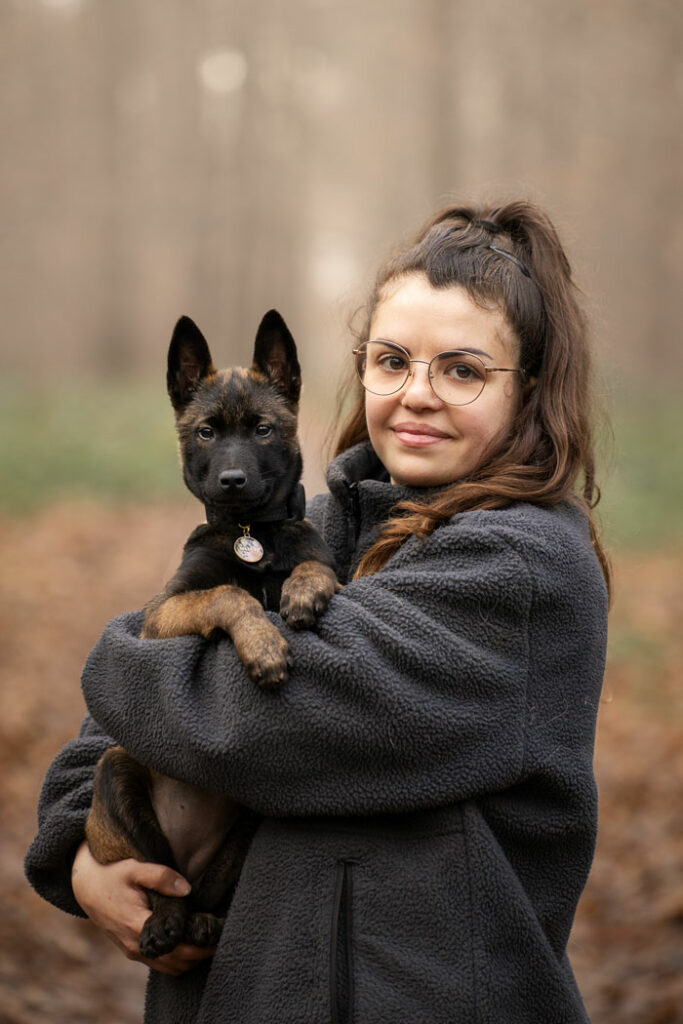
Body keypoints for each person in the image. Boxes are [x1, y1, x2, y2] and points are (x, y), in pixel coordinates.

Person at [25, 200, 610, 1024]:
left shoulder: (517, 566)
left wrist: (126, 650)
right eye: (392, 360)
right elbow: (103, 738)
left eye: (462, 369)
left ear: (531, 387)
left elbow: (252, 724)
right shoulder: (318, 525)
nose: (417, 395)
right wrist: (81, 859)